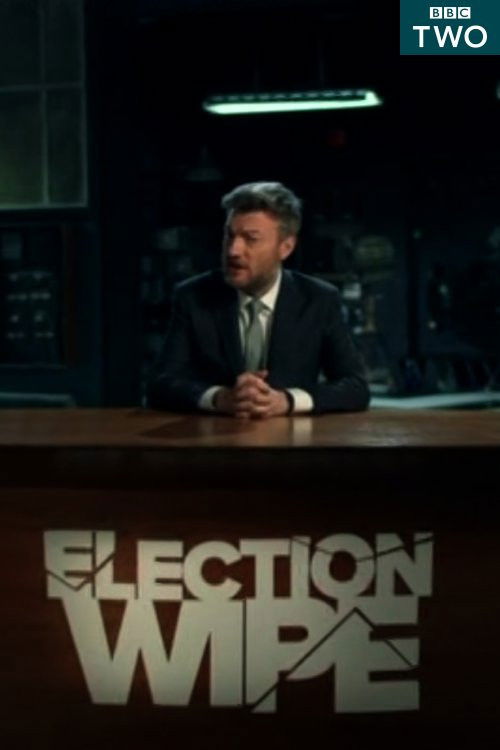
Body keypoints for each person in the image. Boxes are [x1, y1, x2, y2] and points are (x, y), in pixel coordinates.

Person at [147, 181, 370, 417]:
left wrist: (287, 400)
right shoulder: (193, 296)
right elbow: (160, 384)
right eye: (229, 236)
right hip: (212, 436)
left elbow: (355, 387)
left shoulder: (318, 299)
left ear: (285, 247)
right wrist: (219, 398)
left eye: (250, 238)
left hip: (291, 437)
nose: (233, 250)